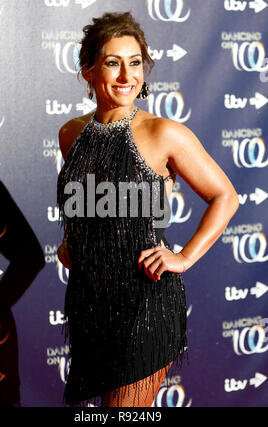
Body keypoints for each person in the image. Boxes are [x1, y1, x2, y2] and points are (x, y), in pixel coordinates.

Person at [56, 11, 239, 407]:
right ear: (87, 71)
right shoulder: (70, 134)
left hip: (145, 302)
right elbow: (84, 198)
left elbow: (225, 196)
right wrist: (72, 240)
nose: (126, 75)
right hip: (90, 303)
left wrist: (185, 256)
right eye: (112, 63)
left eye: (135, 62)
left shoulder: (163, 133)